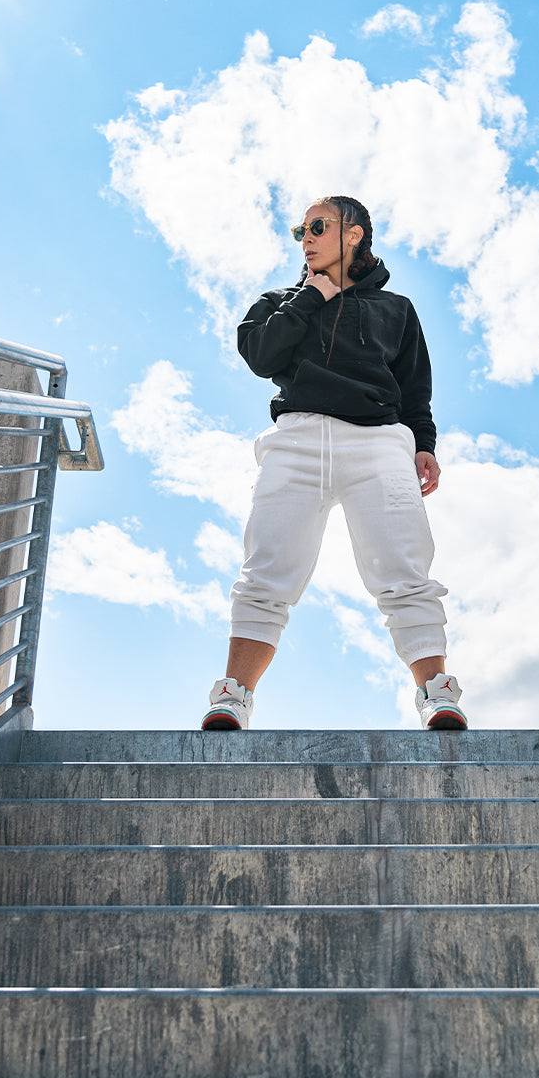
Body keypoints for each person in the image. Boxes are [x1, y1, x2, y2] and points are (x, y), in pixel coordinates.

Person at [201, 194, 467, 732]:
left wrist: (425, 444)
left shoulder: (397, 310)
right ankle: (233, 696)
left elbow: (416, 388)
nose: (306, 236)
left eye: (318, 225)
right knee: (266, 571)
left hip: (378, 444)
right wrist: (312, 296)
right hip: (296, 441)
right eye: (300, 229)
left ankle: (437, 694)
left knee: (405, 571)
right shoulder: (279, 301)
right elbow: (260, 356)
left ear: (354, 233)